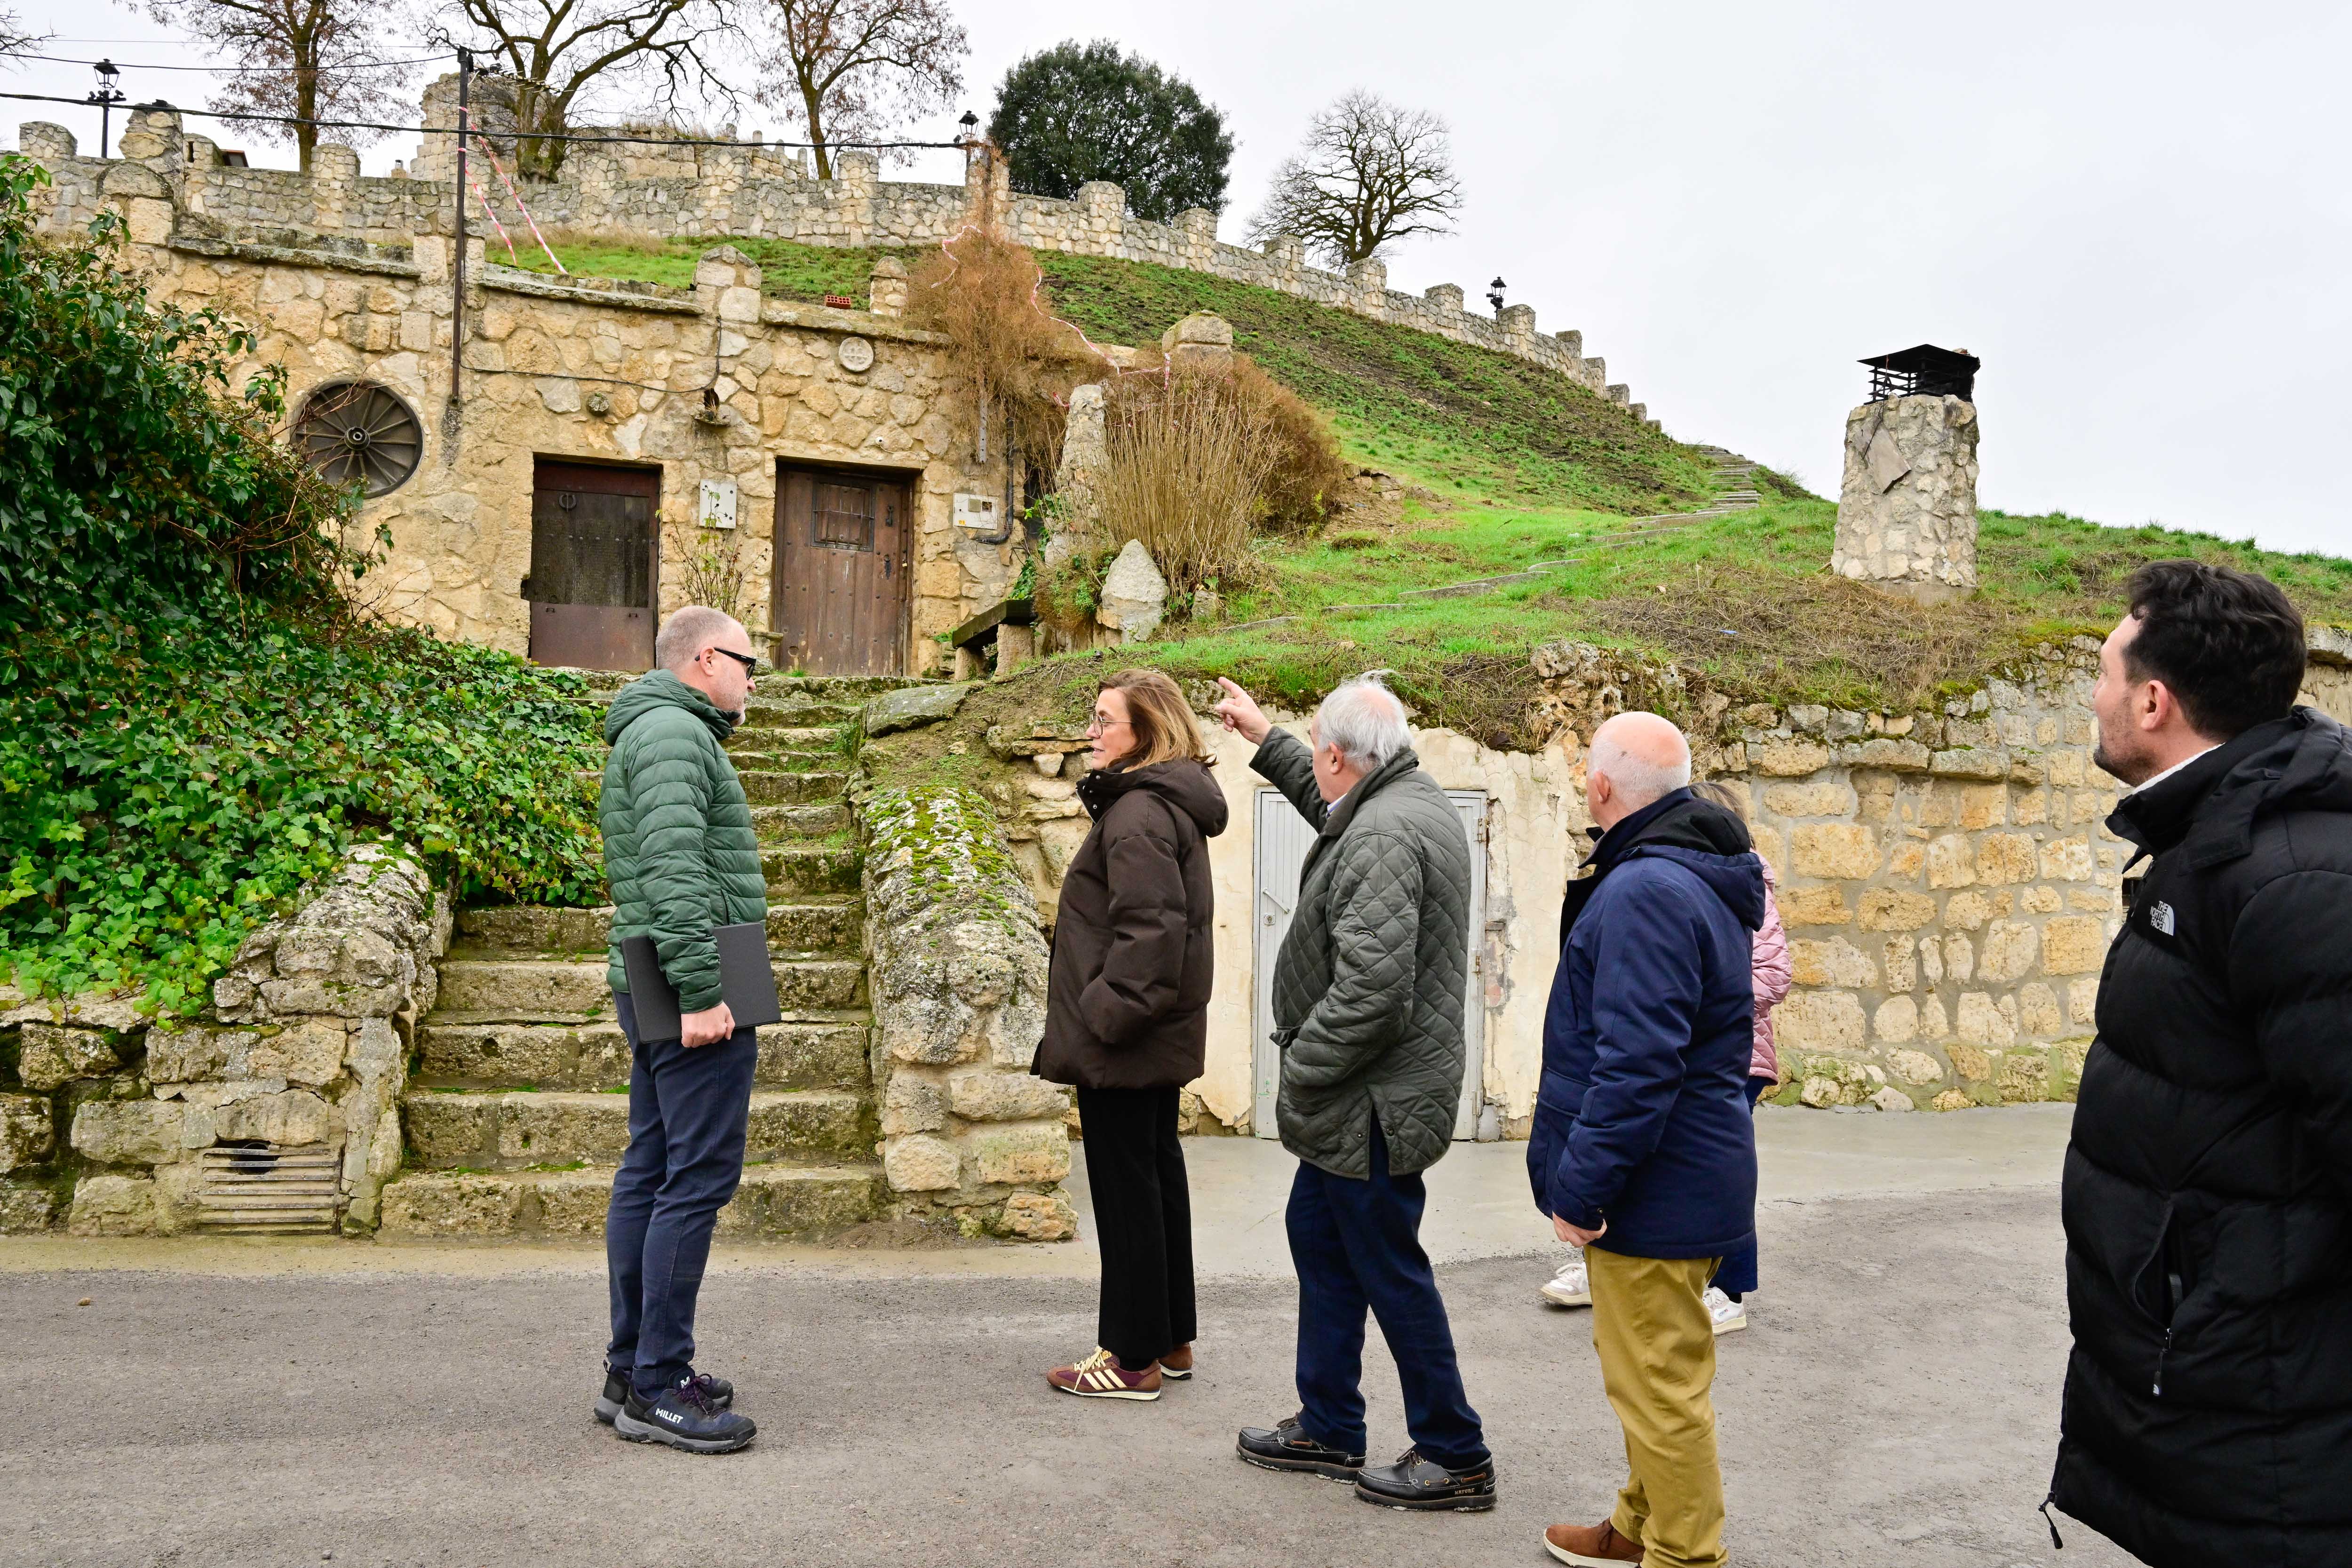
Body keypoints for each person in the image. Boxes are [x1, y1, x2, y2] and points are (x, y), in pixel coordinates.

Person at [2048, 561, 2352, 1568]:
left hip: (2265, 1393)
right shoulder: (2219, 838)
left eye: (2101, 674)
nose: (2091, 698)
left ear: (2151, 698)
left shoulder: (2292, 871)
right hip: (2220, 1374)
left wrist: (2214, 1301)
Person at [1212, 675, 1496, 1513]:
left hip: (1369, 1096)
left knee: (1389, 1267)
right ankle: (1331, 1422)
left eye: (1318, 753)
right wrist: (1267, 737)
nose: (1320, 771)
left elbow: (1374, 990)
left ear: (1342, 754)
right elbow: (1332, 799)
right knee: (1322, 1235)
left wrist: (1298, 1068)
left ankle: (1457, 1451)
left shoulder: (1382, 832)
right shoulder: (1403, 795)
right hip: (1371, 1095)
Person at [1530, 712, 1762, 1568]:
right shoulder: (1680, 875)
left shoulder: (1646, 891)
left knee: (1661, 1394)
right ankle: (1638, 1527)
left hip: (1655, 1190)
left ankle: (1686, 1555)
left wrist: (1581, 1189)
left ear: (1601, 789)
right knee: (1653, 1380)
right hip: (1684, 1175)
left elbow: (1638, 1065)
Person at [595, 605, 766, 1455]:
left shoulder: (663, 729)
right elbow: (673, 868)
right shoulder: (672, 733)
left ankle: (632, 1367)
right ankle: (659, 1383)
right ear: (707, 658)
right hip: (696, 968)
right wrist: (704, 989)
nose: (752, 677)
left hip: (669, 963)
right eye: (747, 662)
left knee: (655, 1166)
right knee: (692, 1176)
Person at [1034, 669, 1228, 1400]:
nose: (1092, 730)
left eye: (1104, 720)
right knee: (1153, 1180)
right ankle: (1169, 1339)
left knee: (1126, 1193)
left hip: (1126, 1035)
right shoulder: (1157, 804)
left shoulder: (1140, 813)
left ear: (1144, 735)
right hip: (1151, 1036)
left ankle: (1130, 1355)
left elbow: (1151, 932)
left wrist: (1103, 1015)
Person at [1540, 780, 1786, 1334]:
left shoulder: (1663, 889)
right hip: (1705, 1064)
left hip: (1731, 1063)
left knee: (1702, 1175)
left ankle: (1728, 1290)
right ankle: (1610, 1263)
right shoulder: (1681, 884)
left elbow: (1640, 1064)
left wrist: (1700, 987)